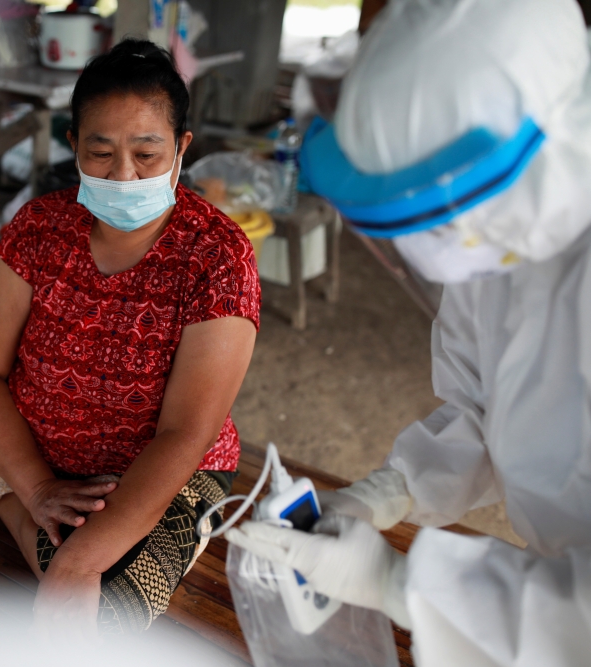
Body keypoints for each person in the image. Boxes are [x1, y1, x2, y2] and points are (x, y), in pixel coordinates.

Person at [0, 39, 259, 638]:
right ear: (73, 147)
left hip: (149, 472)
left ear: (180, 149)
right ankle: (22, 507)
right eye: (100, 151)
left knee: (107, 615)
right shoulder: (40, 227)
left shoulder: (218, 258)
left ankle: (29, 509)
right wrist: (37, 489)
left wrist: (84, 558)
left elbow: (184, 433)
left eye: (146, 153)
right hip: (29, 442)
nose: (123, 174)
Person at [227, 0, 591, 665]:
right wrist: (389, 490)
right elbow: (488, 413)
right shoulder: (505, 242)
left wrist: (398, 584)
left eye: (446, 218)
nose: (442, 251)